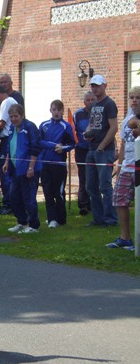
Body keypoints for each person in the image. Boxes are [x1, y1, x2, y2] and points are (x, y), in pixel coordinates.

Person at [106, 87, 140, 251]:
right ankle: (125, 238)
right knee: (119, 199)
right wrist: (119, 166)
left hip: (139, 166)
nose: (134, 100)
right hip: (127, 166)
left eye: (138, 97)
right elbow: (123, 144)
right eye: (131, 97)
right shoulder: (127, 119)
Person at [84, 74, 118, 227]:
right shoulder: (93, 105)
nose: (95, 88)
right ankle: (97, 219)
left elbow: (114, 128)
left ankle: (110, 219)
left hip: (104, 150)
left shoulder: (109, 104)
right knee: (91, 186)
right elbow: (91, 124)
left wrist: (102, 146)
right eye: (93, 85)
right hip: (92, 148)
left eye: (97, 85)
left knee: (105, 185)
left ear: (105, 86)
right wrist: (87, 132)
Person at [4, 104, 42, 234]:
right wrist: (7, 162)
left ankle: (33, 225)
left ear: (22, 115)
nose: (13, 119)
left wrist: (31, 167)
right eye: (11, 117)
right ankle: (21, 221)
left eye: (16, 116)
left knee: (28, 198)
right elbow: (9, 147)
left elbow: (35, 148)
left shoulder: (30, 127)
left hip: (28, 168)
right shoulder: (11, 128)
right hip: (16, 168)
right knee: (14, 196)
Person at [38, 100, 76, 228]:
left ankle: (61, 218)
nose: (56, 112)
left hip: (59, 164)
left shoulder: (66, 126)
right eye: (54, 109)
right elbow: (39, 141)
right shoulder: (44, 125)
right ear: (50, 110)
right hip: (45, 163)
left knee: (58, 193)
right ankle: (51, 219)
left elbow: (72, 143)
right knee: (47, 192)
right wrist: (53, 146)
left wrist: (63, 148)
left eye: (59, 110)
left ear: (62, 111)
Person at [0, 84, 19, 215]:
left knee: (5, 172)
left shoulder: (6, 102)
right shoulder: (13, 101)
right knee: (11, 173)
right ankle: (14, 203)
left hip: (7, 140)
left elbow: (1, 124)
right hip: (12, 138)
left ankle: (7, 204)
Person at [73, 91, 97, 215]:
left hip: (95, 148)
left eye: (92, 100)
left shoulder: (99, 113)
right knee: (83, 177)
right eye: (88, 100)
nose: (90, 102)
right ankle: (83, 204)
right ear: (84, 102)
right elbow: (73, 131)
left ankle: (94, 203)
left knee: (94, 177)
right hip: (81, 149)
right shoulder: (78, 115)